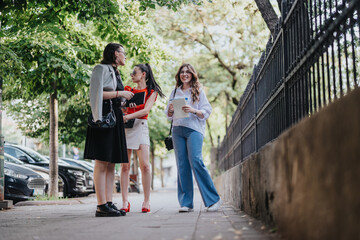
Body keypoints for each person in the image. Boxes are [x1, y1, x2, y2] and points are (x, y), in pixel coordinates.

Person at [84, 43, 134, 217]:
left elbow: (113, 95)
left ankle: (109, 202)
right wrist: (120, 94)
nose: (125, 56)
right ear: (114, 53)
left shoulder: (116, 71)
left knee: (112, 162)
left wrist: (123, 101)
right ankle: (100, 205)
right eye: (123, 53)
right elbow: (96, 93)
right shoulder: (101, 68)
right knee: (101, 161)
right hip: (103, 119)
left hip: (115, 118)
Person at [165, 63, 221, 212]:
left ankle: (213, 200)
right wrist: (170, 111)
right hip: (177, 130)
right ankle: (186, 203)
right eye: (182, 72)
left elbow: (207, 110)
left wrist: (193, 110)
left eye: (187, 72)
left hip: (194, 130)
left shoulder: (198, 91)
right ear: (179, 75)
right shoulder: (174, 92)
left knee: (196, 161)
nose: (184, 74)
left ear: (192, 74)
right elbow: (168, 116)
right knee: (182, 165)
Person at [120, 63, 165, 213]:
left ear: (143, 74)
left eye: (135, 72)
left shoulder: (152, 91)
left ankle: (147, 201)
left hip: (140, 125)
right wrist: (123, 111)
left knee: (145, 165)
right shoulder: (127, 90)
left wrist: (128, 116)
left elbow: (146, 110)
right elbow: (123, 107)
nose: (132, 75)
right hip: (126, 127)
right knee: (125, 166)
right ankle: (125, 201)